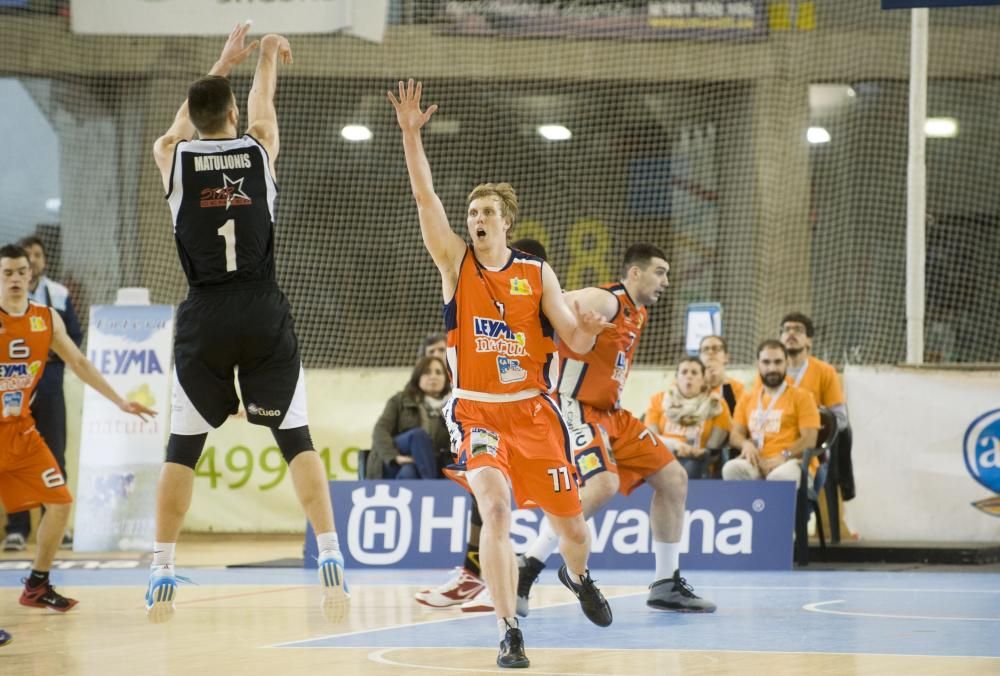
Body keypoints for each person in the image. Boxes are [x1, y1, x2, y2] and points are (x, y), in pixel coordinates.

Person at [389, 79, 613, 669]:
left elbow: (573, 338)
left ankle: (579, 577)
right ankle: (509, 627)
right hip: (477, 409)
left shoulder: (537, 274)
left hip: (533, 412)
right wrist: (412, 135)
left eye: (487, 212)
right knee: (494, 509)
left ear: (507, 221)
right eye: (472, 212)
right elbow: (424, 199)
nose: (476, 218)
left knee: (573, 530)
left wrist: (588, 327)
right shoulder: (455, 262)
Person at [148, 23, 348, 624]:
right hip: (261, 307)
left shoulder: (172, 158)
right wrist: (263, 54)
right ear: (233, 113)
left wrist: (221, 64)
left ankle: (161, 565)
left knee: (182, 449)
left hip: (204, 312)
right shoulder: (258, 149)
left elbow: (177, 129)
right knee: (296, 439)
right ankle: (332, 554)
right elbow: (264, 107)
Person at [517, 243, 717, 617]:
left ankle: (666, 583)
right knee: (603, 485)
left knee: (673, 479)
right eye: (660, 272)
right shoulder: (607, 299)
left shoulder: (638, 313)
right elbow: (551, 300)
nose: (666, 281)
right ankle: (527, 565)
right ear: (635, 273)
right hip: (576, 405)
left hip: (612, 412)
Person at [0, 244, 155, 613]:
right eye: (7, 273)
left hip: (21, 430)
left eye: (21, 271)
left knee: (59, 504)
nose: (16, 278)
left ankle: (37, 585)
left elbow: (80, 362)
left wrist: (119, 400)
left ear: (31, 274)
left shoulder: (47, 318)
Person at [413, 238, 549, 615]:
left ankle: (522, 573)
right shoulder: (488, 303)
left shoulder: (549, 302)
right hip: (495, 414)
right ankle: (479, 574)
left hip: (546, 416)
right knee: (489, 494)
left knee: (560, 511)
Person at [3, 235, 83, 552]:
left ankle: (55, 526)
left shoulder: (56, 298)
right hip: (11, 393)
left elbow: (75, 346)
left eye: (34, 258)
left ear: (38, 265)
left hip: (47, 380)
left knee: (53, 449)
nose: (24, 270)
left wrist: (118, 400)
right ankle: (17, 529)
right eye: (9, 271)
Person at [724, 339, 819, 487]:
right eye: (766, 362)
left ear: (787, 363)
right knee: (731, 469)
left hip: (792, 462)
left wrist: (784, 456)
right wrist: (745, 445)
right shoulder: (747, 398)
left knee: (778, 477)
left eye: (778, 362)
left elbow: (810, 439)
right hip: (757, 461)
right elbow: (735, 434)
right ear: (758, 364)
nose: (772, 368)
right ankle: (750, 510)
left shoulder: (803, 397)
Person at [645, 357, 731, 479]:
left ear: (703, 379)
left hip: (696, 460)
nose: (689, 376)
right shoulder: (658, 400)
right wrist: (675, 446)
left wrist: (699, 452)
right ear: (677, 378)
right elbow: (651, 439)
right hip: (662, 455)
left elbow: (713, 450)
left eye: (694, 373)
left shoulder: (716, 404)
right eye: (684, 372)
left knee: (688, 468)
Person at [367, 356, 451, 479]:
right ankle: (432, 487)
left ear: (446, 379)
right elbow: (380, 431)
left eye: (439, 372)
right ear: (418, 376)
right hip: (393, 459)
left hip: (424, 464)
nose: (433, 376)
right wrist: (394, 456)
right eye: (427, 372)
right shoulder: (400, 400)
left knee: (409, 472)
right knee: (418, 436)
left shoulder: (453, 407)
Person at [698, 335, 745, 416]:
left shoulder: (737, 387)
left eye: (715, 348)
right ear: (700, 357)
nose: (710, 352)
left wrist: (725, 383)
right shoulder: (688, 383)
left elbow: (736, 416)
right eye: (705, 349)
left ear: (726, 357)